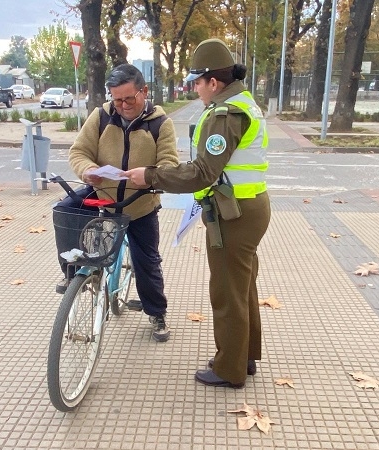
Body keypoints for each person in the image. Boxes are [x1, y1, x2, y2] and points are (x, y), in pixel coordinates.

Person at [123, 39, 271, 388]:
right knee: (242, 287)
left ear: (213, 83)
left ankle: (229, 369)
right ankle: (243, 357)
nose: (195, 89)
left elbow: (203, 171)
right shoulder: (242, 103)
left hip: (233, 215)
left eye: (197, 83)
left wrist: (152, 176)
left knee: (227, 291)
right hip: (247, 207)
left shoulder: (226, 114)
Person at [57, 63, 179, 342]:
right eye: (116, 99)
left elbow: (169, 166)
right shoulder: (100, 117)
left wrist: (149, 176)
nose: (123, 105)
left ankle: (156, 312)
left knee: (146, 260)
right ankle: (71, 273)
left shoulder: (160, 124)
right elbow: (79, 152)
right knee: (65, 211)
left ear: (144, 92)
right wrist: (87, 170)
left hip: (140, 204)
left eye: (129, 98)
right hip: (103, 196)